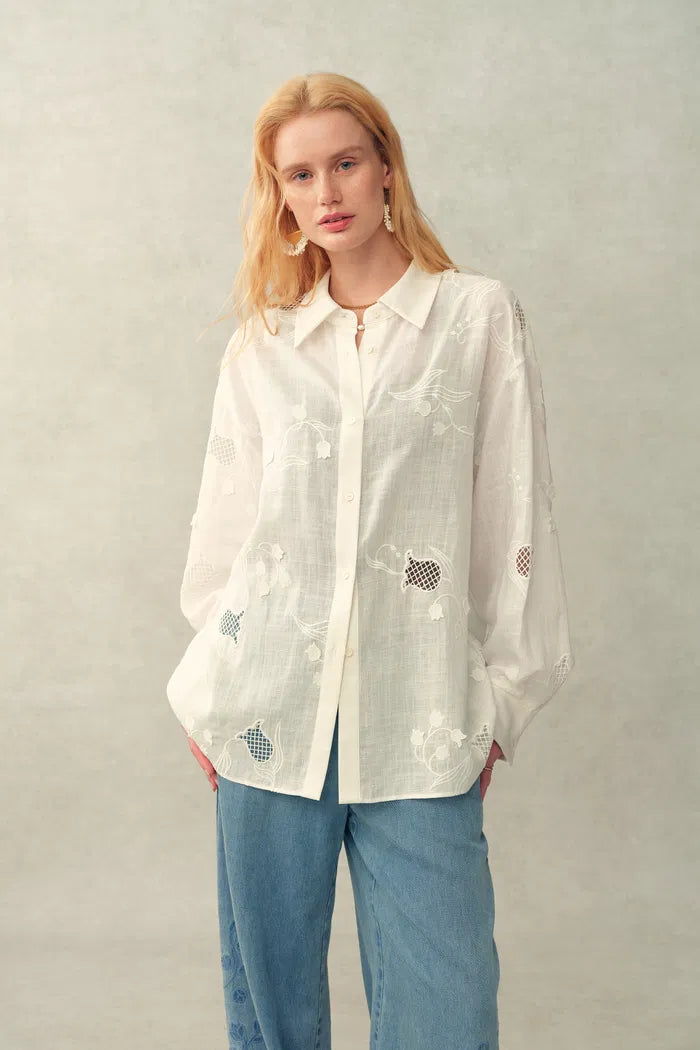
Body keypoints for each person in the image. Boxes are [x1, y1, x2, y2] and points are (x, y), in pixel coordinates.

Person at [166, 72, 575, 1050]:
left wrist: (500, 702)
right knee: (272, 1020)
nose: (327, 192)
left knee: (448, 1009)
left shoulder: (476, 319)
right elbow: (225, 537)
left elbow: (514, 515)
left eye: (344, 162)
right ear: (280, 195)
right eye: (299, 175)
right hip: (265, 717)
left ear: (386, 167)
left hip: (420, 716)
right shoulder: (264, 343)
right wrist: (210, 691)